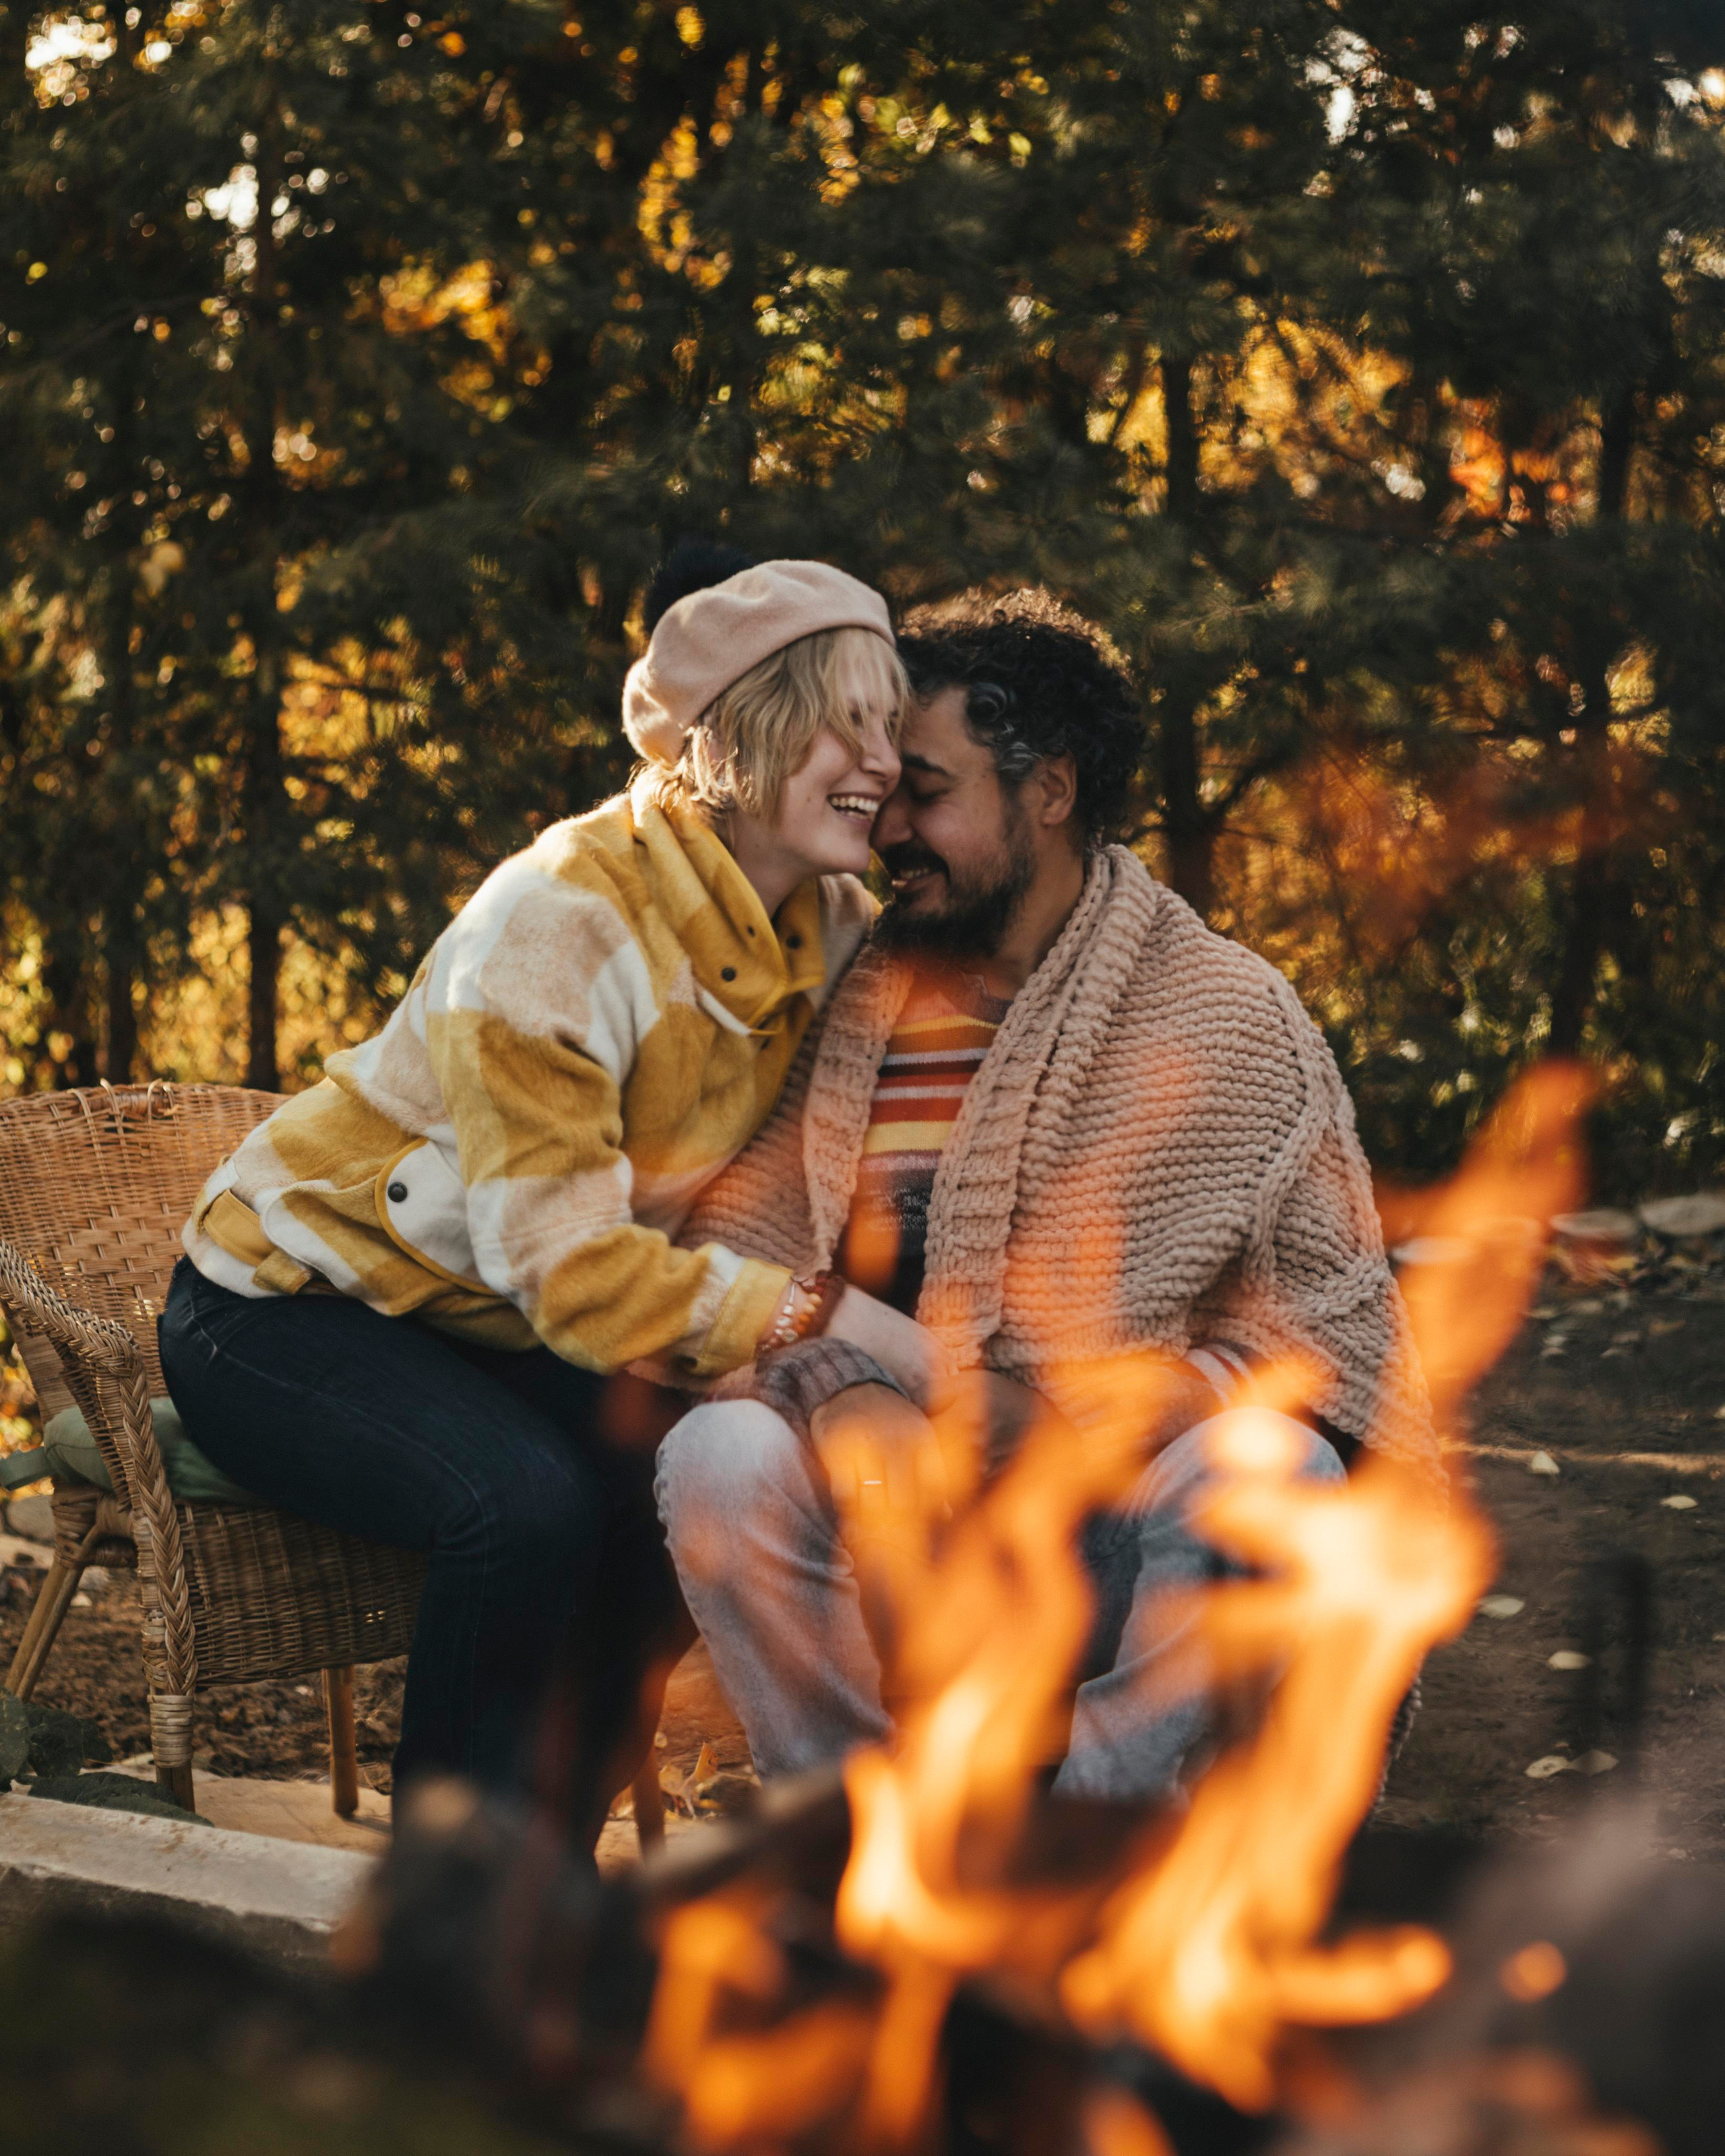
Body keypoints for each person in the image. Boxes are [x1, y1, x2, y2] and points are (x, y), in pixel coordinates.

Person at [158, 546, 940, 1839]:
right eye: (840, 723)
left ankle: (547, 1885)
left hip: (493, 1317)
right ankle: (445, 1920)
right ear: (739, 736)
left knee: (683, 1488)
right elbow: (573, 1270)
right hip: (287, 1304)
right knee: (519, 1504)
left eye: (890, 726)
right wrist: (829, 1320)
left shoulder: (829, 926)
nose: (880, 760)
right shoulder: (562, 918)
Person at [654, 589, 1437, 1801]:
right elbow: (718, 1276)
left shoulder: (1228, 1016)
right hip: (888, 1533)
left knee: (1274, 1468)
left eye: (927, 789)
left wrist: (1119, 1409)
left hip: (1116, 1544)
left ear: (1050, 790)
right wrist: (847, 1386)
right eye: (877, 791)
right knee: (721, 1453)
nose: (888, 828)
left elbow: (1339, 1349)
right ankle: (843, 1836)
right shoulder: (838, 1002)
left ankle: (1095, 1840)